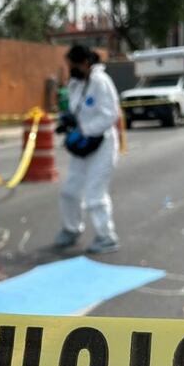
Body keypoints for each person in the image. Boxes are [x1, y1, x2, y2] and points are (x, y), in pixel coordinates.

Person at [53, 44, 121, 254]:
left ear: (85, 63)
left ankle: (106, 237)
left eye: (72, 65)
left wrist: (84, 130)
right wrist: (68, 121)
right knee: (70, 191)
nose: (70, 69)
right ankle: (71, 229)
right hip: (83, 145)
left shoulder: (101, 82)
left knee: (95, 193)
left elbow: (110, 115)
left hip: (102, 144)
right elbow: (77, 110)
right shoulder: (76, 83)